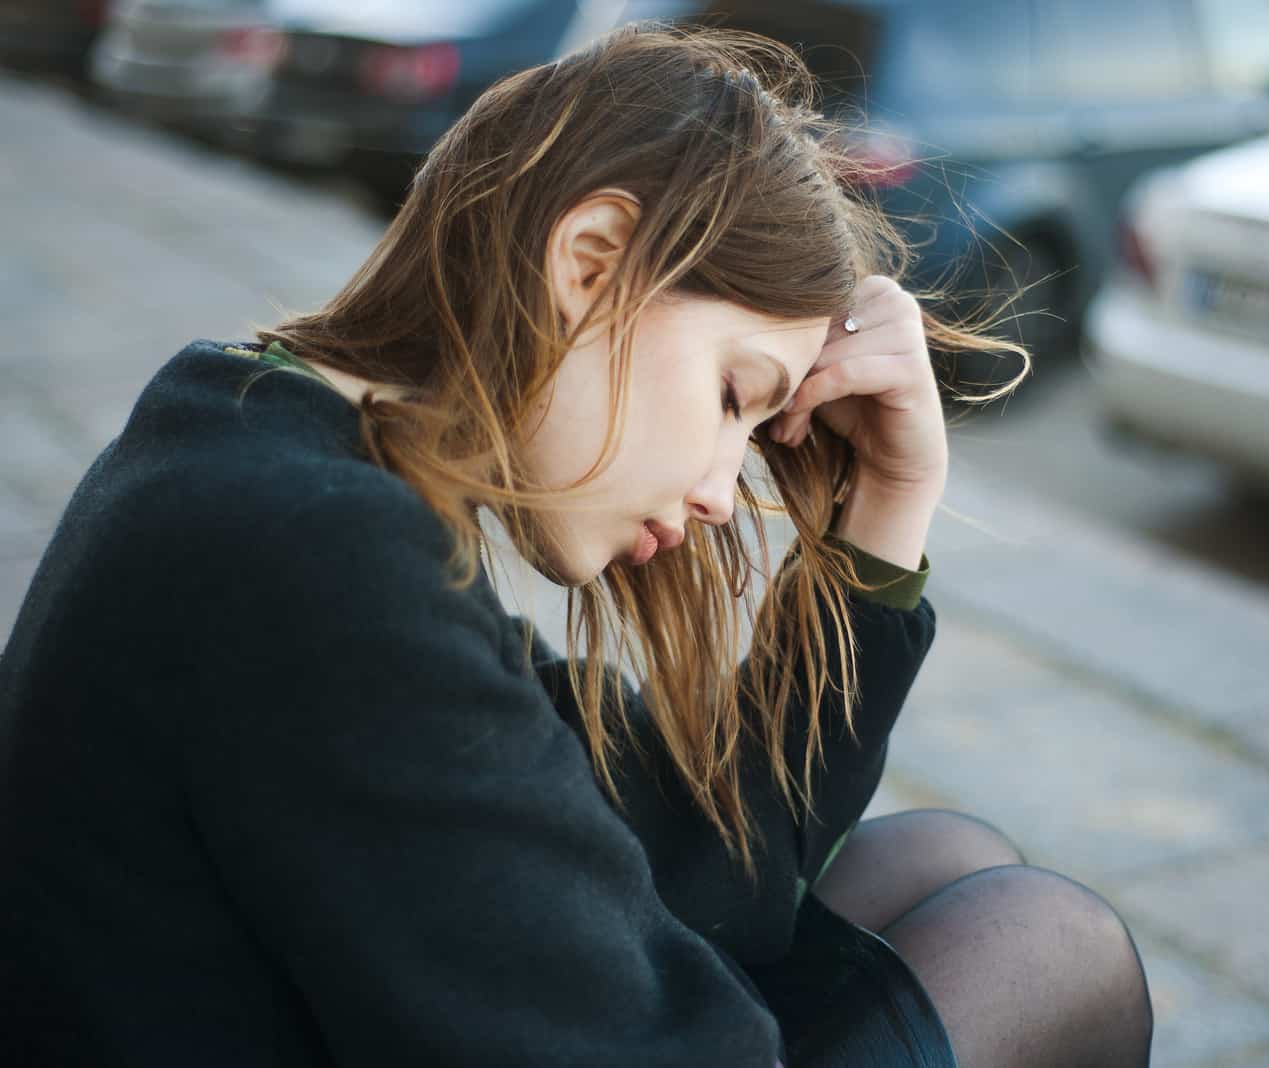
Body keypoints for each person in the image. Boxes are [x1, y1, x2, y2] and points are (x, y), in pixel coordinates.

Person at [0, 21, 1152, 1068]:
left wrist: (886, 506)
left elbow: (689, 864)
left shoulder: (252, 437)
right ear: (592, 259)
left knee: (944, 859)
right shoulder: (315, 558)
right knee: (1052, 946)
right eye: (729, 395)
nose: (720, 489)